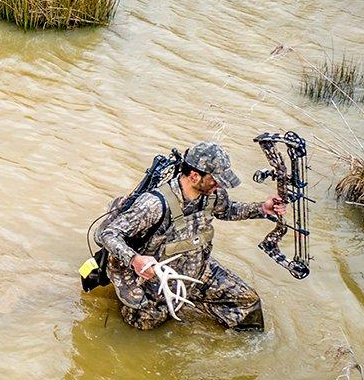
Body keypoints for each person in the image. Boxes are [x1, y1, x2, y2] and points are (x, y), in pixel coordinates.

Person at [96, 141, 286, 333]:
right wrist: (135, 260)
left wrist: (262, 208)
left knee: (247, 303)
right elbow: (109, 234)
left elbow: (227, 210)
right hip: (157, 284)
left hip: (199, 271)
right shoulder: (154, 205)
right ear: (194, 176)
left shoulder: (213, 193)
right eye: (215, 179)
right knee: (142, 331)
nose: (219, 184)